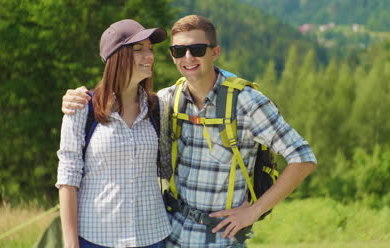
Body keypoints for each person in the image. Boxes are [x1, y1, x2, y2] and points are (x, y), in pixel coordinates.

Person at [62, 15, 317, 248]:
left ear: (214, 52)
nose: (188, 57)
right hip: (171, 235)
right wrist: (77, 98)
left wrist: (255, 211)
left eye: (197, 50)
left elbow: (303, 157)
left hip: (219, 240)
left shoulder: (247, 102)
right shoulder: (167, 101)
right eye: (178, 50)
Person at [56, 19, 171, 248]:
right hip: (96, 237)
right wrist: (70, 243)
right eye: (139, 49)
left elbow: (168, 167)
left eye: (150, 49)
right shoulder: (81, 108)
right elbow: (68, 179)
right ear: (116, 57)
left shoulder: (160, 107)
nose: (149, 55)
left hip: (152, 236)